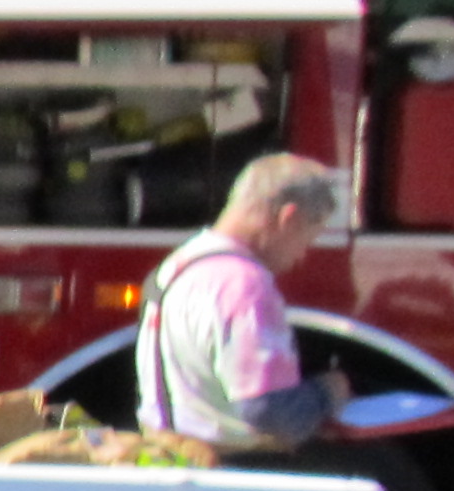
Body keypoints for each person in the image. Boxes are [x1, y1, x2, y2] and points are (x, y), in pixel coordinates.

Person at [137, 152, 353, 452]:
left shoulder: (176, 266)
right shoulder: (245, 287)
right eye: (307, 240)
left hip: (164, 455)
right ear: (287, 218)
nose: (301, 257)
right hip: (227, 472)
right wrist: (331, 390)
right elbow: (271, 414)